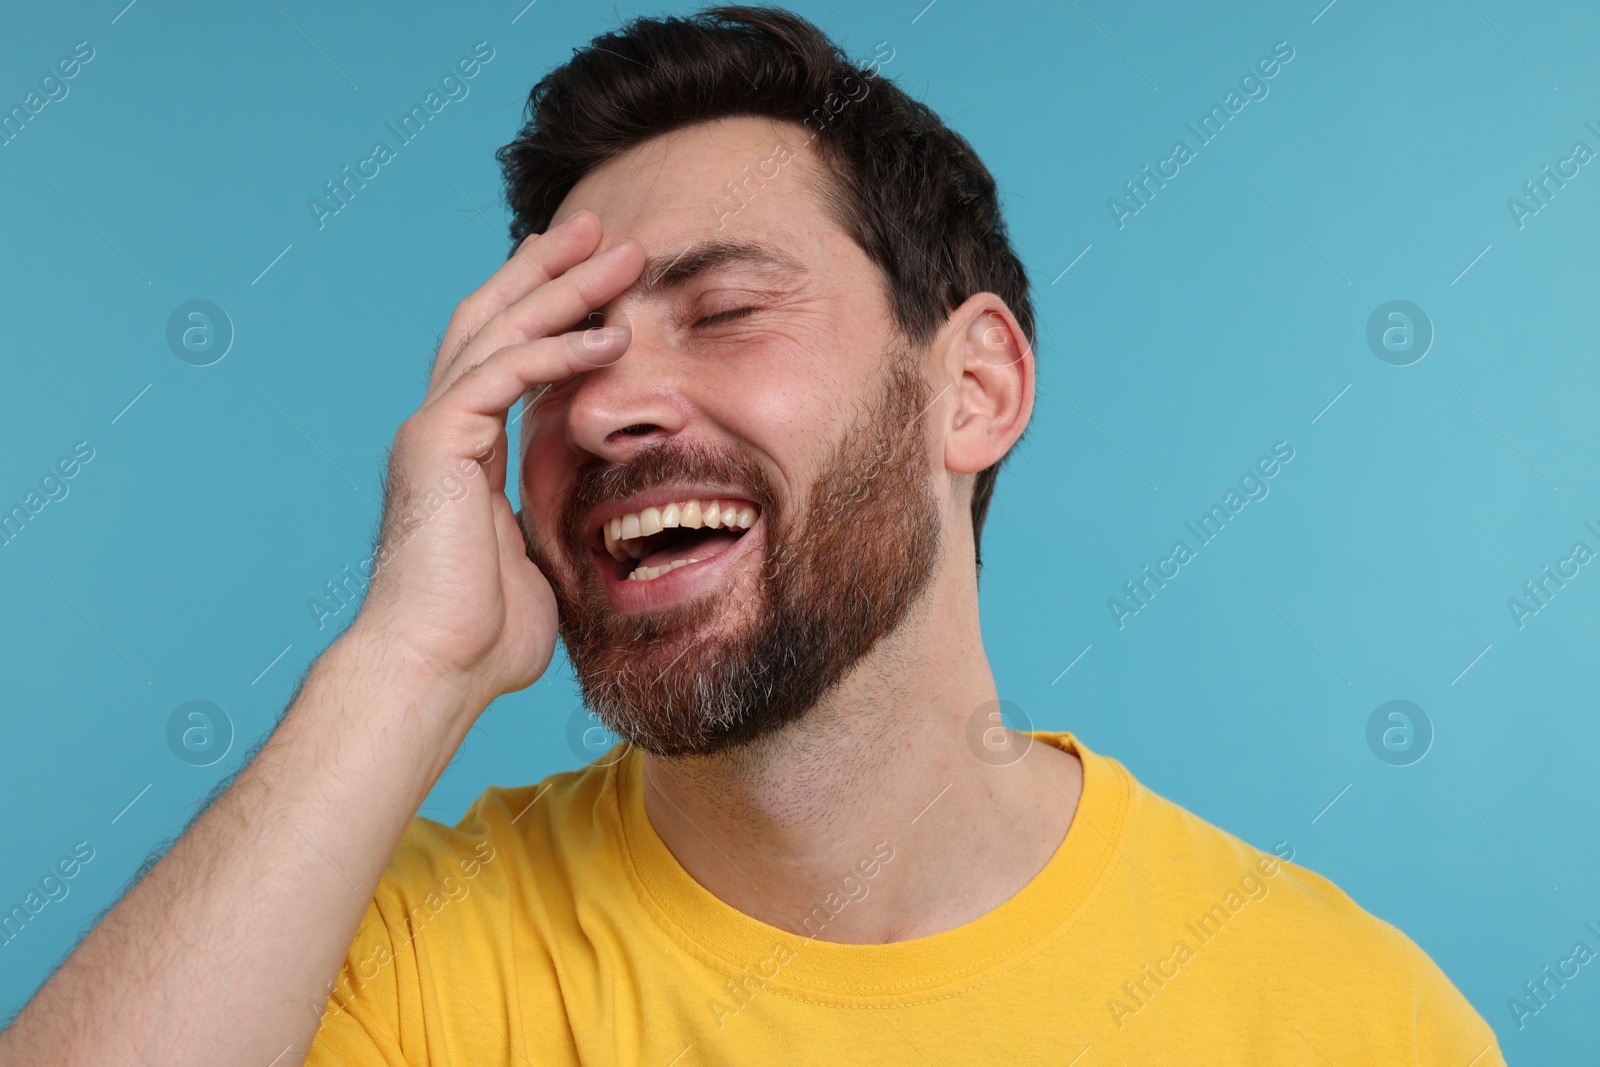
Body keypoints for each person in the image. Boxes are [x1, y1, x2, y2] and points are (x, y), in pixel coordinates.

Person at [0, 7, 1503, 1065]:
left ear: (972, 388)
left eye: (723, 313)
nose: (609, 410)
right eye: (565, 355)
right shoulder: (394, 962)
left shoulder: (1346, 1017)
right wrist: (408, 666)